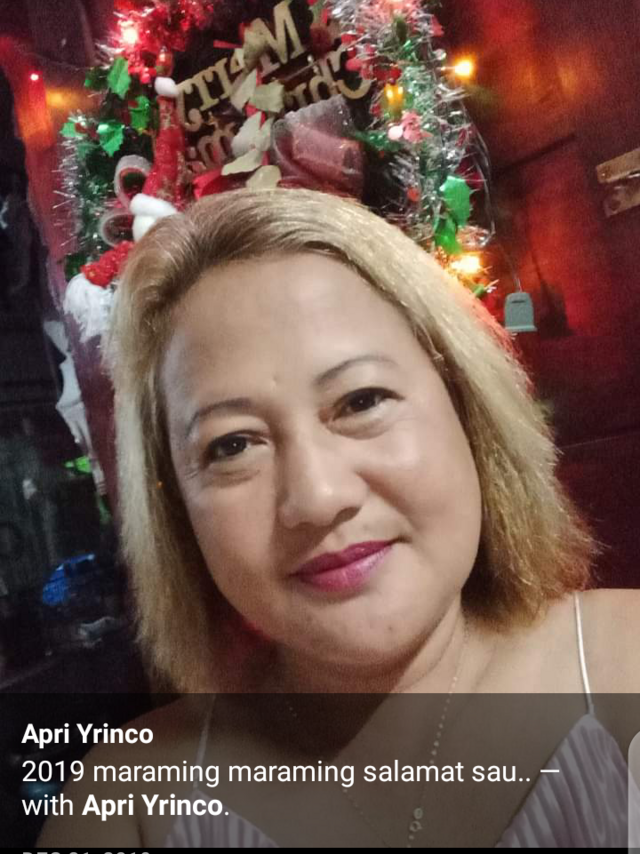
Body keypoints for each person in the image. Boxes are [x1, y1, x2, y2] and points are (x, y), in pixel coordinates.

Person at [39, 188, 640, 848]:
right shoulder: (128, 802)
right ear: (177, 509)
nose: (318, 496)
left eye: (361, 401)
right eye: (232, 445)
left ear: (465, 405)